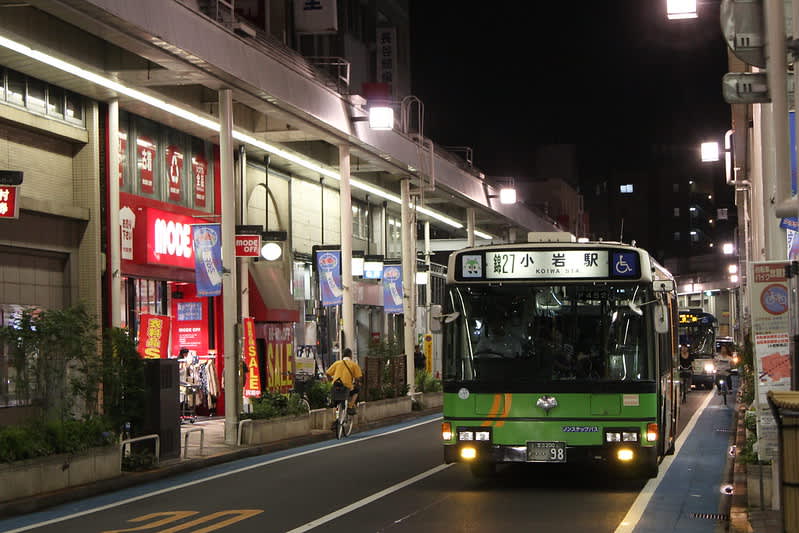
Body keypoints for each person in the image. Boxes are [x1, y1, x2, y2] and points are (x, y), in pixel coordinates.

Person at [325, 348, 363, 414]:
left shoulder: (337, 363)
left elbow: (327, 373)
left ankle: (336, 417)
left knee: (336, 404)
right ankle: (350, 406)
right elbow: (358, 378)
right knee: (357, 390)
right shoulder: (354, 365)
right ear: (350, 356)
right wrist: (357, 384)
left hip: (336, 387)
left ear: (343, 355)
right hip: (347, 388)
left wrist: (331, 380)